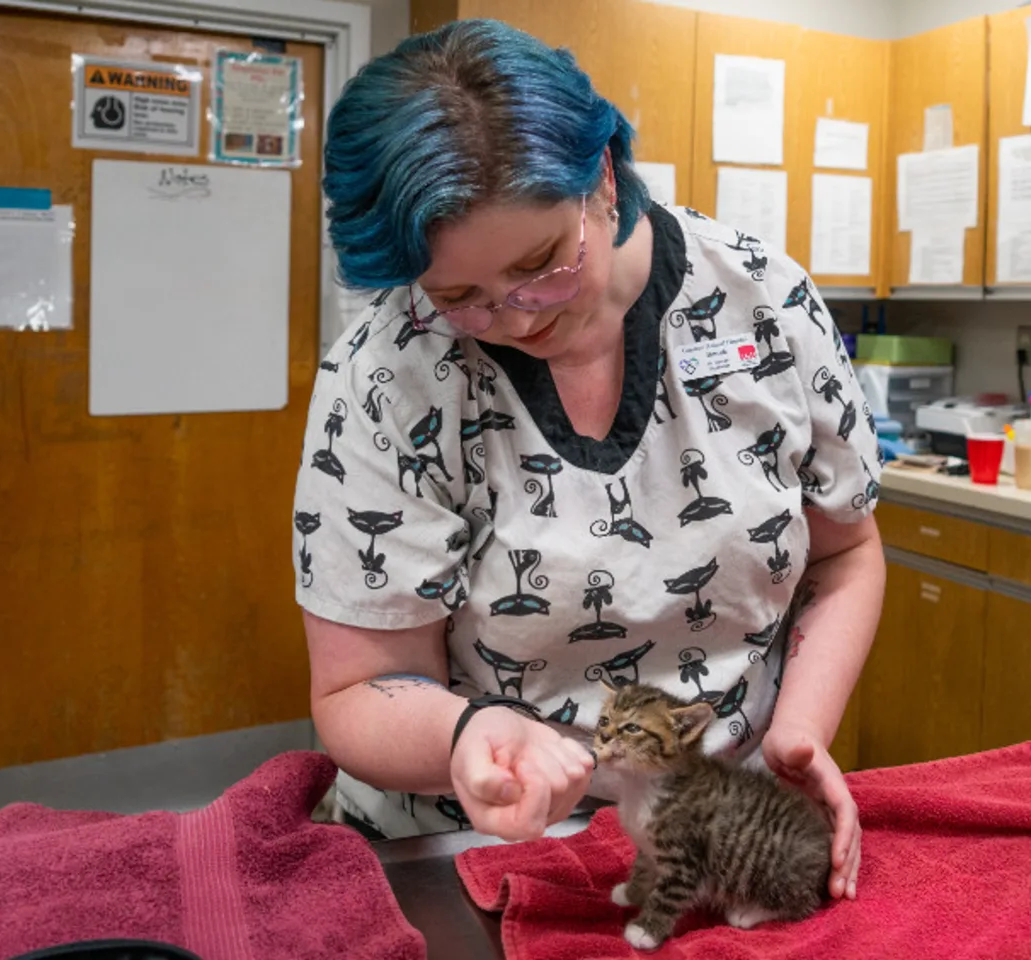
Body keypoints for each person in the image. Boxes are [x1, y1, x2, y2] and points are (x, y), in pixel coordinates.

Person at [294, 18, 885, 902]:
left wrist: (798, 731)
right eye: (461, 296)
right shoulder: (389, 373)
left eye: (541, 266)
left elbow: (845, 553)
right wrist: (471, 736)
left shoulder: (762, 302)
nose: (520, 316)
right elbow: (359, 690)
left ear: (603, 180)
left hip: (715, 839)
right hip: (465, 855)